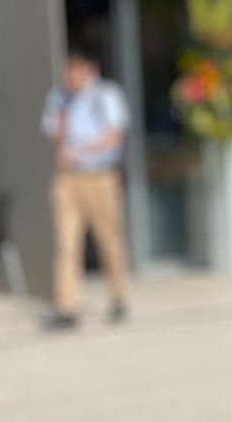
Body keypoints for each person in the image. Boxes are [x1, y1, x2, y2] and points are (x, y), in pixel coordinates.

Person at [40, 49, 131, 329]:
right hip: (68, 179)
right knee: (67, 244)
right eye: (67, 72)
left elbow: (114, 138)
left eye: (76, 71)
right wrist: (63, 123)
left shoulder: (105, 95)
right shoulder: (59, 98)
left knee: (108, 239)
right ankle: (68, 306)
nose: (71, 78)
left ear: (89, 70)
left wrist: (79, 152)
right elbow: (54, 137)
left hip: (100, 177)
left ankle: (118, 297)